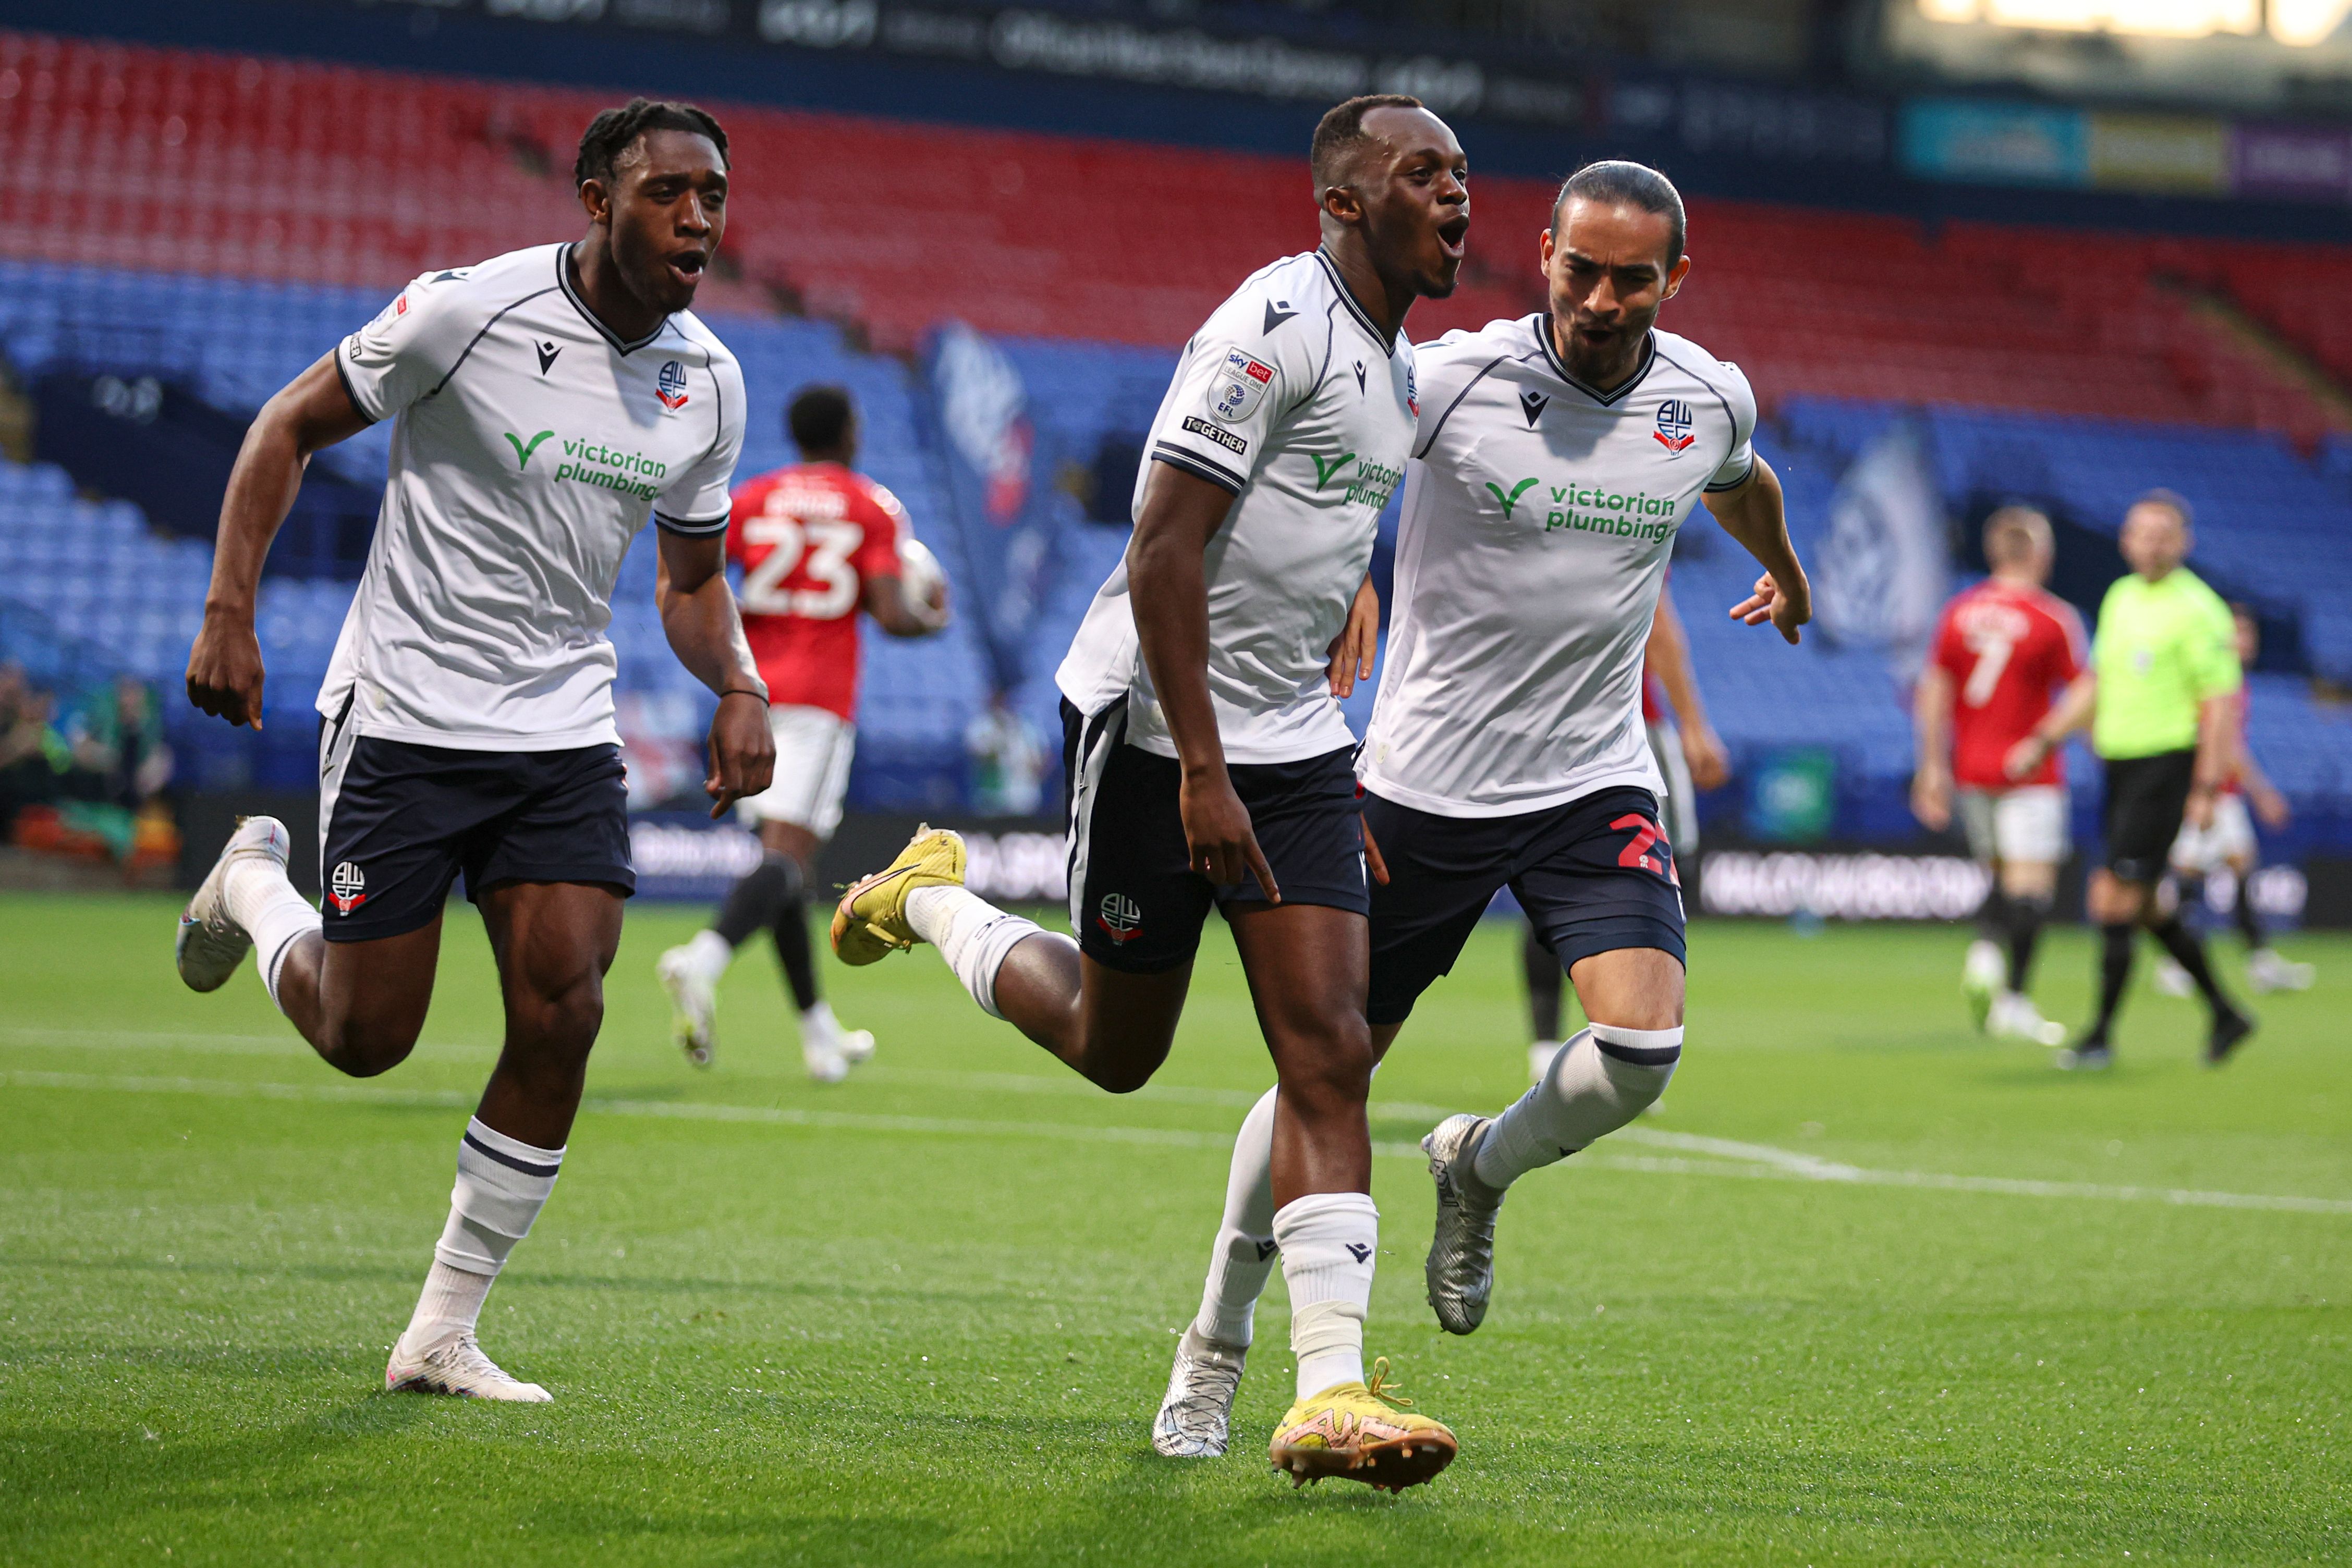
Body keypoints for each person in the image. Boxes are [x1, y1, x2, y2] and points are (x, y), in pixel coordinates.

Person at [827, 94, 1470, 1491]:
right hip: (1149, 726)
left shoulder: (1394, 364)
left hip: (1294, 740)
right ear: (1344, 202)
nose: (1457, 195)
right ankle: (932, 900)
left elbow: (1305, 505)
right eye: (1423, 173)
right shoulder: (1267, 325)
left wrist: (1345, 581)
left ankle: (1328, 1389)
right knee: (1120, 1048)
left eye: (1461, 173)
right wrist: (1195, 766)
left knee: (1329, 1044)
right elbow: (1162, 548)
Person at [1154, 160, 1813, 1458]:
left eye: (1634, 278)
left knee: (1641, 1051)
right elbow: (1332, 469)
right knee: (1321, 1071)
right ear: (1544, 254)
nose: (1603, 298)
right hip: (1421, 786)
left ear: (1672, 281)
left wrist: (1782, 573)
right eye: (1581, 268)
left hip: (1590, 776)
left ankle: (1479, 1168)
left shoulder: (1705, 395)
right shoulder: (1450, 375)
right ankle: (1214, 1343)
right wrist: (1348, 574)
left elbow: (1740, 475)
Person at [175, 100, 771, 1401]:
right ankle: (249, 888)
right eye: (669, 192)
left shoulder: (709, 382)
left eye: (714, 196)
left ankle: (440, 1328)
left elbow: (688, 579)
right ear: (596, 200)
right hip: (403, 714)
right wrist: (230, 605)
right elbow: (284, 426)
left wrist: (736, 678)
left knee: (565, 1005)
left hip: (560, 731)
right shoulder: (467, 313)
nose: (698, 218)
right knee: (364, 1033)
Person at [655, 384, 948, 1080]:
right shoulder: (869, 505)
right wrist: (932, 615)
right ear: (848, 431)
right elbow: (889, 612)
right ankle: (702, 960)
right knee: (786, 860)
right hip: (818, 699)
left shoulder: (754, 497)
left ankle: (819, 1034)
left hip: (752, 696)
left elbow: (703, 581)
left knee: (786, 871)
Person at [2005, 491, 2252, 1069]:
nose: (2150, 542)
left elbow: (2219, 704)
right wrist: (2045, 736)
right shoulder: (2119, 598)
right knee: (2141, 904)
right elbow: (2096, 682)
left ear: (2182, 542)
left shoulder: (2200, 609)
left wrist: (2206, 787)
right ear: (2124, 539)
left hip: (2165, 765)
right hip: (2117, 766)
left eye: (2162, 533)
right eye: (2140, 532)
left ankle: (2099, 1037)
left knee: (2111, 899)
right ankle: (2225, 1011)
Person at [1523, 582, 1728, 1081]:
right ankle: (1633, 1047)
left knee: (1539, 873)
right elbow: (1661, 628)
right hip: (1627, 731)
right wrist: (1695, 726)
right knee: (1658, 878)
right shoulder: (1630, 511)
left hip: (1540, 728)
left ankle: (1548, 1046)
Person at [1911, 507, 2086, 1046]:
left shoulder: (1958, 612)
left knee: (2001, 876)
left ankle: (1987, 954)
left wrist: (1932, 767)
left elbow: (1933, 690)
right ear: (2041, 554)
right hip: (2027, 771)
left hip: (1970, 768)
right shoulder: (2052, 617)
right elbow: (2084, 689)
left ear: (1993, 552)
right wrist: (2045, 738)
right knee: (2030, 887)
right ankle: (2009, 992)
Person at [2155, 605, 2314, 996]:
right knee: (2188, 873)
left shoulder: (2234, 681)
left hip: (2222, 793)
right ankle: (2174, 962)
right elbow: (2222, 745)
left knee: (2241, 869)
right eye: (2237, 634)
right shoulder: (2214, 680)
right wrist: (2260, 793)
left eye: (2249, 635)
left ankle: (2259, 962)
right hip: (2205, 792)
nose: (2245, 642)